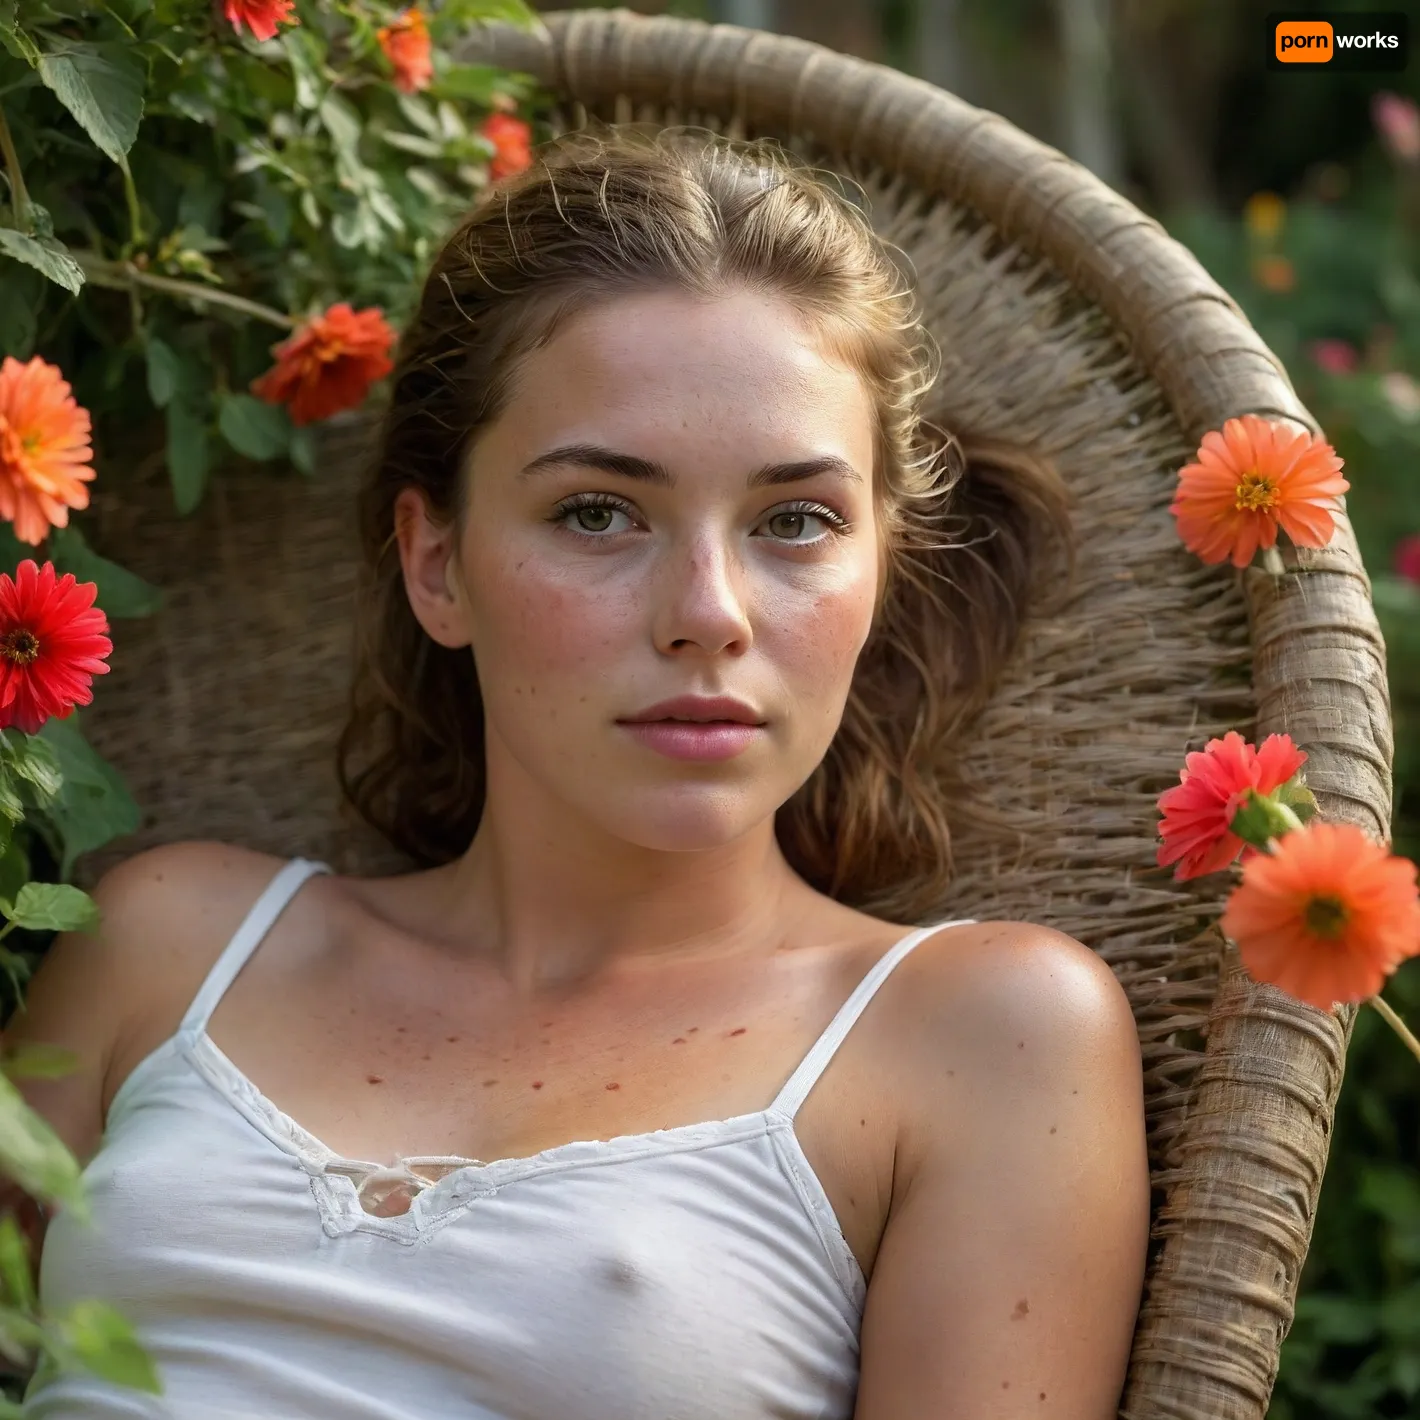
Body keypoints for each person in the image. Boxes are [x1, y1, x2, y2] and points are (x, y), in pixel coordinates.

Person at [10, 128, 1150, 1419]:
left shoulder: (978, 1042)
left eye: (795, 521)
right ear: (436, 562)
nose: (707, 612)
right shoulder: (168, 946)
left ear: (881, 565)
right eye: (599, 512)